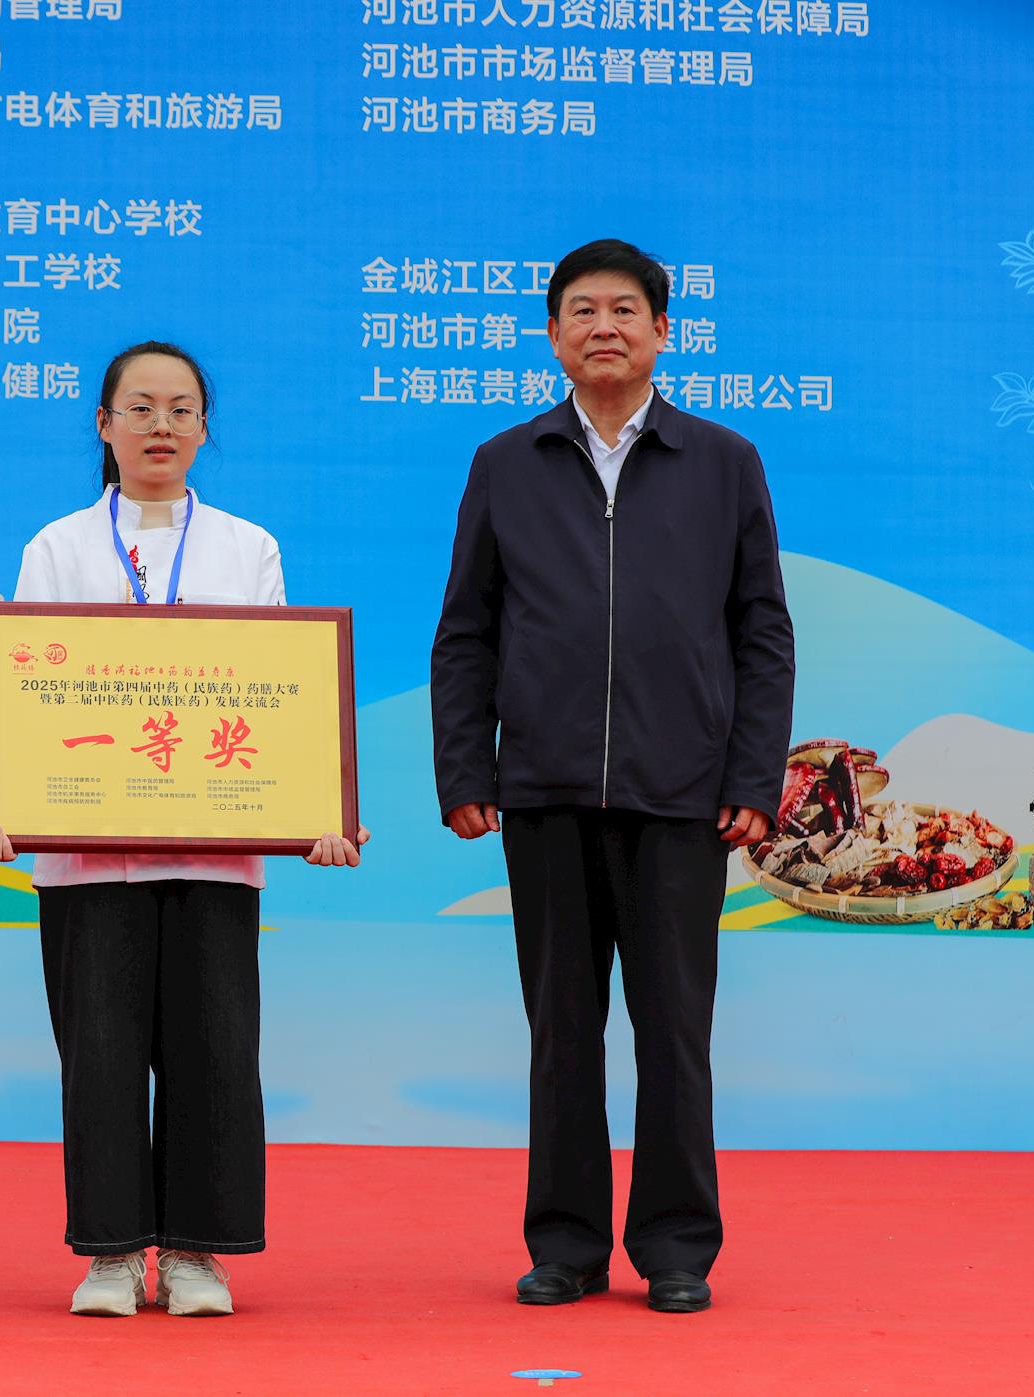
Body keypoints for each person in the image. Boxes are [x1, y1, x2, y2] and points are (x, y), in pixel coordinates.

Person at [0, 341, 368, 1318]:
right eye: (138, 407)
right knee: (99, 1054)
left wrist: (318, 811)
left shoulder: (246, 547)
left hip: (215, 853)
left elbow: (279, 698)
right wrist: (0, 804)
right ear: (103, 425)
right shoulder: (58, 547)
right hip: (85, 856)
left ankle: (193, 1253)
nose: (160, 426)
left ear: (203, 429)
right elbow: (25, 691)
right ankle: (108, 1252)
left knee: (213, 1053)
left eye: (181, 409)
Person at [430, 239, 795, 1315]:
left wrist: (752, 778)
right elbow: (466, 629)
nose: (604, 326)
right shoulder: (505, 462)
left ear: (662, 332)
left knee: (674, 1031)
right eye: (581, 309)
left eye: (625, 309)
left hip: (682, 795)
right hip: (542, 790)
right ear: (552, 336)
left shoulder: (723, 461)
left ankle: (676, 1245)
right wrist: (467, 764)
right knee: (560, 1031)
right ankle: (567, 1243)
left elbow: (761, 631)